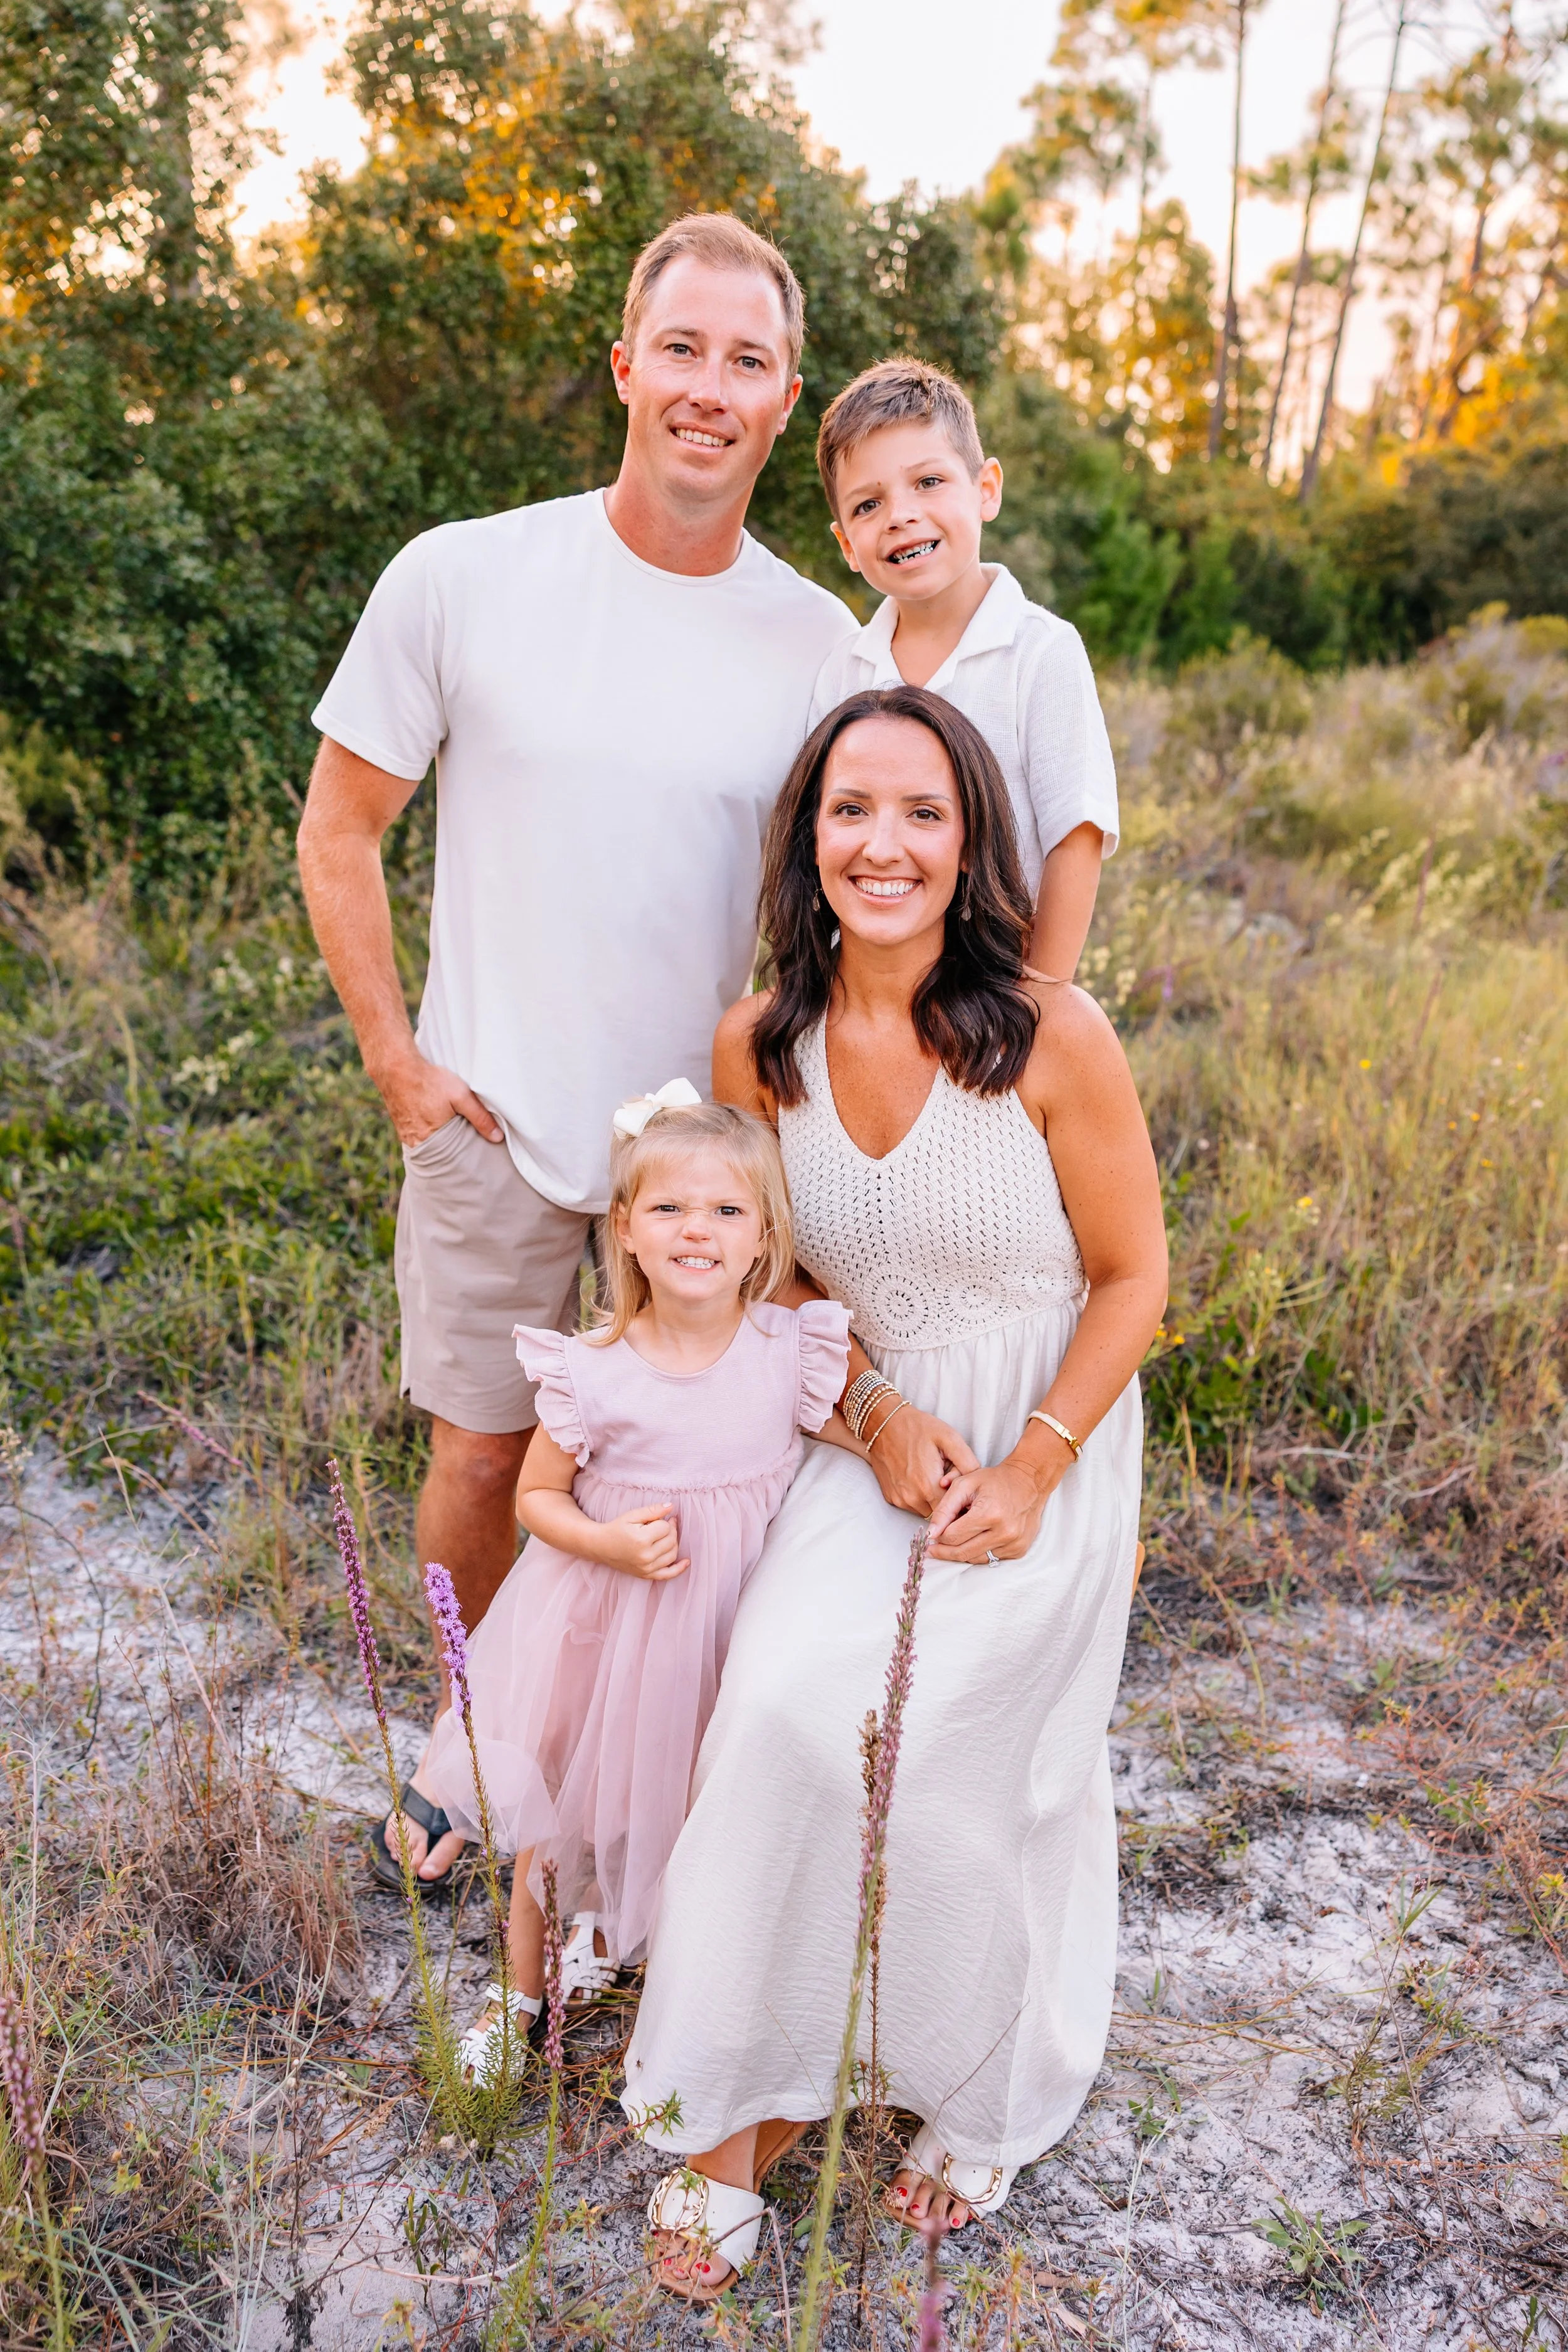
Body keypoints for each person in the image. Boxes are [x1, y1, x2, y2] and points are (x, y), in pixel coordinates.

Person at [295, 214, 855, 1898]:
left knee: (689, 1481)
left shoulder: (816, 640)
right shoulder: (465, 572)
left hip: (700, 1165)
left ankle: (646, 1771)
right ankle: (468, 1750)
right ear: (625, 367)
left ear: (781, 398)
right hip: (495, 1123)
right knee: (481, 1458)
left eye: (745, 360)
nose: (708, 386)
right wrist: (399, 1063)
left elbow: (866, 880)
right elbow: (340, 830)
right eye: (680, 348)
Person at [622, 686, 1168, 2303]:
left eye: (923, 812)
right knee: (789, 1706)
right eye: (852, 808)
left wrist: (1033, 1464)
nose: (885, 843)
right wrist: (872, 1415)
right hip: (866, 1431)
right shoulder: (756, 1041)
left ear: (968, 840)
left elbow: (1135, 1277)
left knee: (946, 1746)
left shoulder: (1053, 1031)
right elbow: (772, 1283)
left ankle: (975, 2076)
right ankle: (746, 2109)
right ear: (809, 834)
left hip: (1049, 1433)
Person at [420, 1092, 849, 2077]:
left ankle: (627, 1953)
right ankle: (520, 1993)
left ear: (764, 1239)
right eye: (668, 1210)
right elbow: (536, 1499)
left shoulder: (793, 1354)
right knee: (561, 1817)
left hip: (731, 1631)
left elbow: (839, 1466)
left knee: (700, 1805)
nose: (697, 1228)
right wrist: (607, 1541)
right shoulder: (596, 1370)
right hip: (608, 1626)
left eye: (727, 1212)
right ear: (625, 1228)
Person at [809, 358, 1120, 984]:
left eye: (927, 482)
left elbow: (1076, 835)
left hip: (1000, 1005)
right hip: (872, 1006)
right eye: (869, 504)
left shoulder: (1040, 652)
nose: (900, 515)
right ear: (846, 544)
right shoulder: (845, 670)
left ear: (986, 490)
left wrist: (1041, 1008)